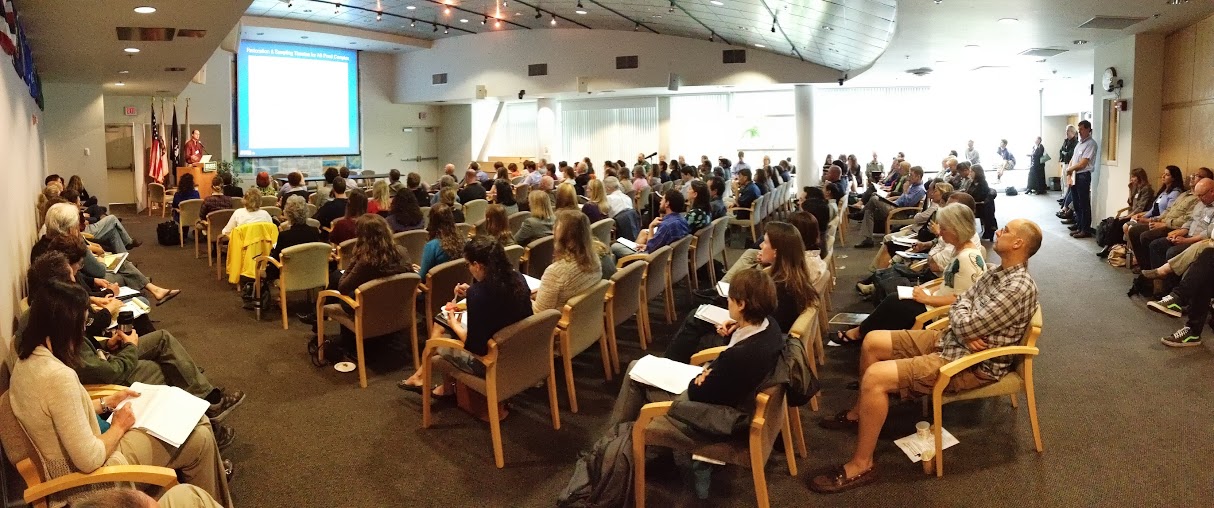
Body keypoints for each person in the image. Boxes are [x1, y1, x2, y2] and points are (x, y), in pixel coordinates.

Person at [811, 219, 1041, 494]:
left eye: (1007, 230)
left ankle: (862, 464)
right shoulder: (996, 272)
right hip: (955, 341)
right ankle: (860, 413)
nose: (999, 231)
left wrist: (964, 322)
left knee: (875, 376)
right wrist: (964, 322)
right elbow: (962, 301)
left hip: (973, 363)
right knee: (872, 341)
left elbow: (968, 319)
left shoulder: (1017, 287)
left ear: (1018, 244)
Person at [10, 281, 234, 507]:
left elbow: (62, 411)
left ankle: (211, 489)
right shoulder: (58, 377)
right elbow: (90, 459)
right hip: (92, 480)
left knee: (199, 428)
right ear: (64, 330)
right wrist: (119, 425)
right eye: (81, 326)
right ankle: (211, 495)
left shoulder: (27, 362)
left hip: (81, 463)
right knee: (201, 436)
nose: (82, 333)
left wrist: (106, 403)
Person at [25, 251, 246, 427]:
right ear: (59, 287)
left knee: (162, 340)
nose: (76, 284)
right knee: (161, 367)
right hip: (105, 377)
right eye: (73, 279)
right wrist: (130, 347)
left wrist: (106, 344)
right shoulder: (57, 323)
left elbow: (84, 351)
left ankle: (207, 402)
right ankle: (206, 418)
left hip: (103, 360)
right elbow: (102, 371)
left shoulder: (44, 316)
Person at [608, 268, 784, 431]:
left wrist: (703, 375)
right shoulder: (771, 327)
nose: (727, 302)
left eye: (730, 298)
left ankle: (613, 440)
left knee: (635, 371)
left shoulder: (740, 356)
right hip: (727, 394)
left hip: (710, 412)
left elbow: (697, 392)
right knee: (641, 366)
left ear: (741, 305)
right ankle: (624, 439)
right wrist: (736, 328)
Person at [398, 236, 534, 394]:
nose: (469, 268)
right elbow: (498, 301)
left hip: (491, 363)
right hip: (522, 354)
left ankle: (427, 380)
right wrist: (471, 291)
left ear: (477, 265)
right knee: (441, 326)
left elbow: (477, 348)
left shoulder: (479, 294)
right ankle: (440, 386)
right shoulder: (518, 279)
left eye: (469, 264)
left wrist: (455, 325)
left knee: (437, 343)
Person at [667, 223, 817, 363]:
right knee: (699, 315)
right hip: (765, 341)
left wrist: (737, 327)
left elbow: (762, 326)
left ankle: (668, 367)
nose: (760, 245)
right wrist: (738, 323)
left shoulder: (779, 288)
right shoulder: (795, 280)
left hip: (753, 350)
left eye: (765, 243)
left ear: (776, 252)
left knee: (695, 319)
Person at [836, 204, 984, 343]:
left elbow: (959, 299)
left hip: (941, 313)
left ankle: (860, 334)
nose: (940, 233)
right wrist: (926, 291)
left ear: (956, 229)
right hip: (936, 302)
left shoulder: (967, 259)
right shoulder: (959, 250)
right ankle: (865, 331)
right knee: (895, 298)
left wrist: (926, 298)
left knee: (894, 302)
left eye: (944, 229)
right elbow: (948, 283)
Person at [35, 204, 181, 305]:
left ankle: (148, 289)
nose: (78, 229)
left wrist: (93, 281)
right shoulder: (66, 247)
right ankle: (145, 290)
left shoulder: (42, 247)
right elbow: (97, 271)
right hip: (87, 293)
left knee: (117, 247)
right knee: (125, 274)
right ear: (69, 229)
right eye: (76, 227)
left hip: (87, 287)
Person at [328, 214, 412, 354]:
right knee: (337, 276)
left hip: (366, 308)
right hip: (396, 306)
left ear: (362, 237)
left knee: (337, 277)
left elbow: (343, 288)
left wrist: (355, 258)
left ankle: (318, 318)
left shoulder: (366, 261)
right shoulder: (402, 252)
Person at [1126, 168, 1209, 273]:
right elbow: (1169, 210)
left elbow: (1187, 219)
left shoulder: (1198, 198)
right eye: (1193, 175)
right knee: (1133, 230)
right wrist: (1153, 219)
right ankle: (1145, 267)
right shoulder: (1184, 194)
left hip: (1174, 226)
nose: (1192, 177)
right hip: (1169, 223)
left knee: (1148, 238)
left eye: (1196, 176)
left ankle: (1157, 275)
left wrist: (1165, 224)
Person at [533, 211, 602, 313]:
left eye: (555, 228)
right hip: (586, 318)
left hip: (559, 325)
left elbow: (539, 314)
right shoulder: (595, 259)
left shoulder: (555, 273)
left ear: (562, 238)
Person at [854, 166, 926, 248]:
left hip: (900, 212)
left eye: (911, 175)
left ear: (918, 176)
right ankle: (868, 239)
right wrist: (891, 201)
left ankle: (860, 214)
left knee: (874, 198)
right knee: (870, 209)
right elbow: (901, 199)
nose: (909, 177)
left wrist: (905, 190)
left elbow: (907, 204)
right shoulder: (913, 186)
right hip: (895, 206)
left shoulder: (920, 190)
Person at [612, 189, 691, 258]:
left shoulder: (666, 225)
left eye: (662, 199)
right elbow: (654, 246)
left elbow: (651, 251)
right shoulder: (682, 220)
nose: (660, 202)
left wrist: (651, 227)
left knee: (615, 246)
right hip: (668, 258)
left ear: (667, 203)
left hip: (653, 261)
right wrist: (646, 246)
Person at [266, 196, 324, 283]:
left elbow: (276, 261)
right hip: (311, 274)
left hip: (290, 278)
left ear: (288, 214)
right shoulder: (315, 231)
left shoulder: (284, 236)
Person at [1064, 120, 1099, 238]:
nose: (1079, 132)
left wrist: (1070, 170)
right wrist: (1069, 171)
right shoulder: (1079, 144)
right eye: (1078, 130)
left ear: (1088, 129)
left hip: (1083, 176)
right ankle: (1079, 226)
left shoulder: (1091, 144)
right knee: (1077, 203)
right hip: (1075, 175)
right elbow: (1073, 160)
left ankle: (1085, 229)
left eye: (1082, 129)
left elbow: (1083, 164)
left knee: (1084, 204)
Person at [418, 203, 465, 280]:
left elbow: (421, 277)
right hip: (458, 286)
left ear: (432, 221)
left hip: (435, 290)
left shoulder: (432, 246)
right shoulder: (462, 240)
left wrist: (417, 271)